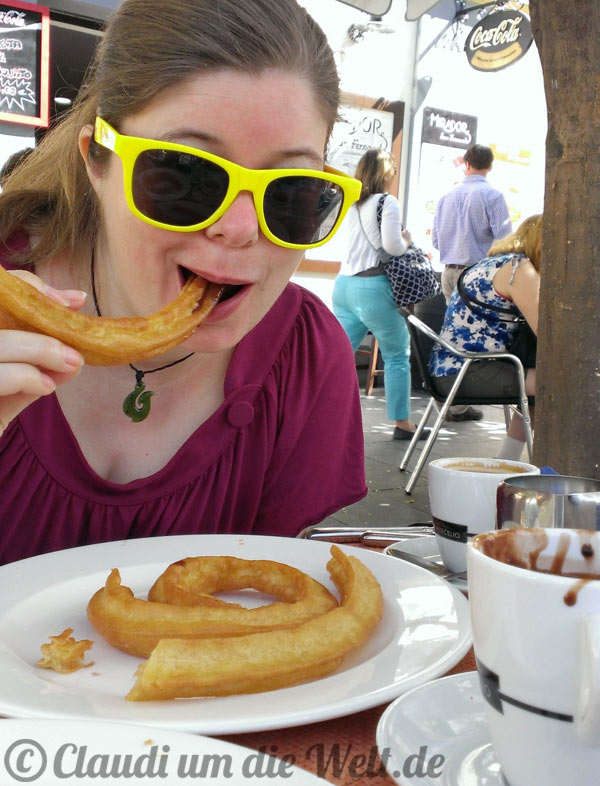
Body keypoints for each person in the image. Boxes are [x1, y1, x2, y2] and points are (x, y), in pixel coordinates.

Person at [0, 0, 368, 565]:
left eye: (293, 193)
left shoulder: (308, 357)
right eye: (186, 174)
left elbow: (266, 603)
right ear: (98, 162)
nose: (241, 230)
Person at [332, 148, 429, 441]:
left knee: (337, 356)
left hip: (343, 285)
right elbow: (393, 246)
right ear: (386, 174)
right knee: (398, 355)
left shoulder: (350, 203)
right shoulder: (387, 202)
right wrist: (407, 239)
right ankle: (402, 424)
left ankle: (323, 416)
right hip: (372, 287)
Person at [429, 214, 541, 460]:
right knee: (559, 385)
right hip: (469, 371)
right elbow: (547, 331)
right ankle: (534, 467)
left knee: (544, 380)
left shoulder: (497, 263)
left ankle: (506, 462)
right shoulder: (519, 269)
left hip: (449, 368)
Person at [431, 143, 512, 422]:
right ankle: (466, 397)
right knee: (475, 336)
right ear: (489, 166)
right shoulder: (493, 195)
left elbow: (436, 241)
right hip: (477, 275)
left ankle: (449, 399)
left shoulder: (446, 196)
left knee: (452, 333)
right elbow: (504, 241)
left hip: (448, 271)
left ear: (466, 163)